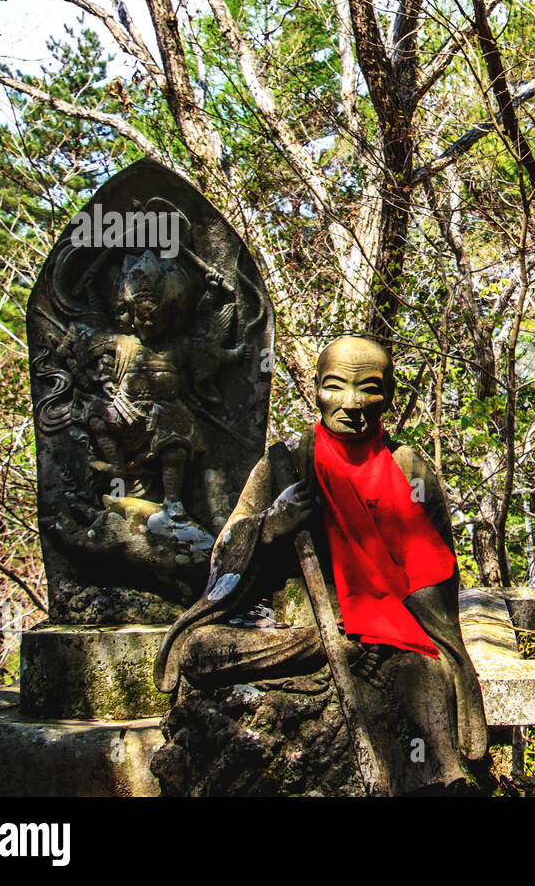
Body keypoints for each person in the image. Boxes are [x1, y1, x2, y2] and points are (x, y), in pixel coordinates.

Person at [155, 335, 489, 794]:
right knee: (199, 651)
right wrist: (271, 525)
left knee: (424, 672)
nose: (352, 404)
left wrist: (407, 626)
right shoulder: (284, 463)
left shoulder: (408, 470)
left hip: (385, 634)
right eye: (336, 386)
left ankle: (441, 779)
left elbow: (435, 577)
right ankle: (329, 645)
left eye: (370, 389)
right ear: (315, 388)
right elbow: (224, 559)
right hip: (288, 631)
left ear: (389, 396)